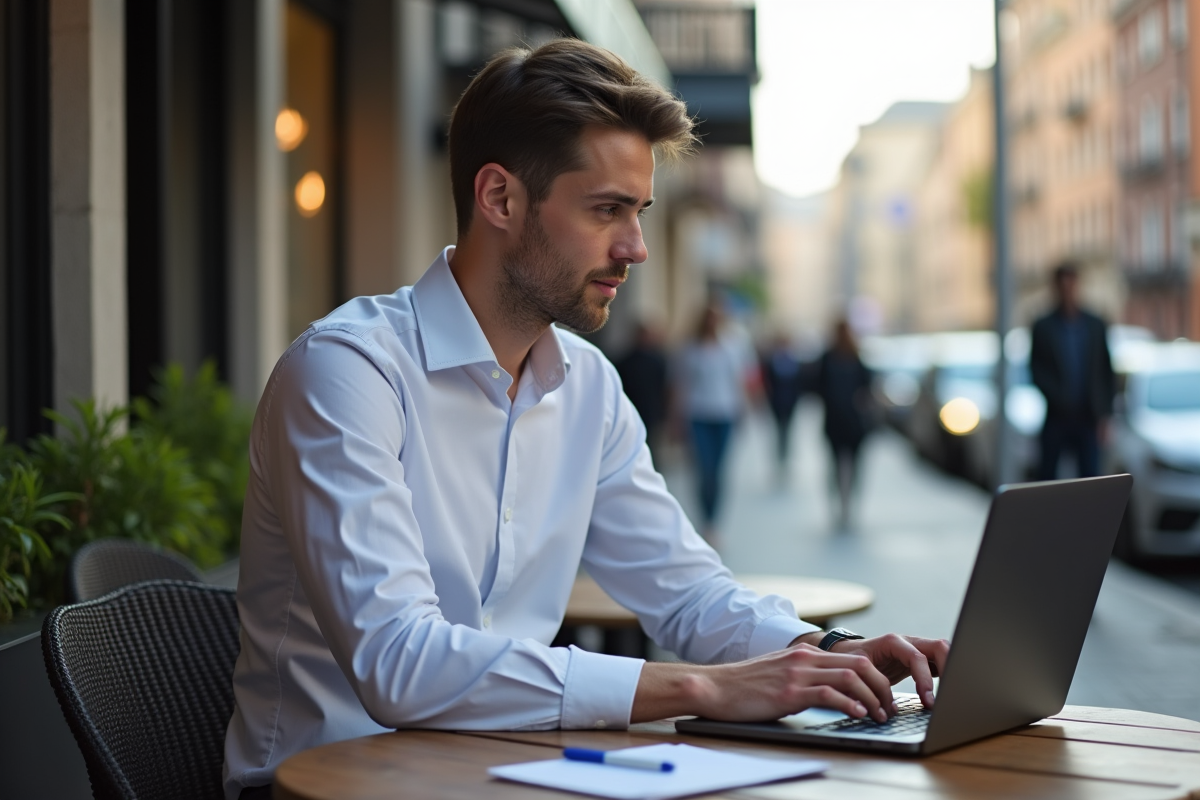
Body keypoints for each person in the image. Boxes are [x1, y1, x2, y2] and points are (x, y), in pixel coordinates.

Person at [223, 39, 947, 800]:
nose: (634, 248)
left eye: (638, 212)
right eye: (606, 210)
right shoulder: (345, 374)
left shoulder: (589, 388)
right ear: (499, 199)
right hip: (321, 788)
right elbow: (399, 663)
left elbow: (688, 592)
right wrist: (705, 689)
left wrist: (826, 651)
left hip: (504, 772)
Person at [1030, 262, 1115, 480]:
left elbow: (1105, 370)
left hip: (1088, 415)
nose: (1068, 291)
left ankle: (1085, 516)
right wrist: (1058, 396)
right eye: (1063, 286)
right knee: (1048, 477)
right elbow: (1036, 370)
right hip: (1057, 416)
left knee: (1089, 478)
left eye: (1072, 285)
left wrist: (1105, 415)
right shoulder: (1044, 326)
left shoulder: (1094, 325)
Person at [815, 319, 874, 529]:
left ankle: (845, 504)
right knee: (843, 465)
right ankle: (845, 503)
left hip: (845, 421)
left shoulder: (845, 357)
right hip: (843, 421)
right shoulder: (838, 357)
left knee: (844, 465)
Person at [615, 321, 670, 458]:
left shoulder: (657, 360)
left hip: (652, 410)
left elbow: (664, 387)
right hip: (633, 407)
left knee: (651, 446)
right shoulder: (626, 361)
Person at [760, 332, 804, 480]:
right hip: (777, 402)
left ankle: (785, 457)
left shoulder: (794, 360)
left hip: (790, 402)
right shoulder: (773, 360)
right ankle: (779, 457)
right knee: (779, 430)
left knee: (787, 430)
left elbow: (799, 383)